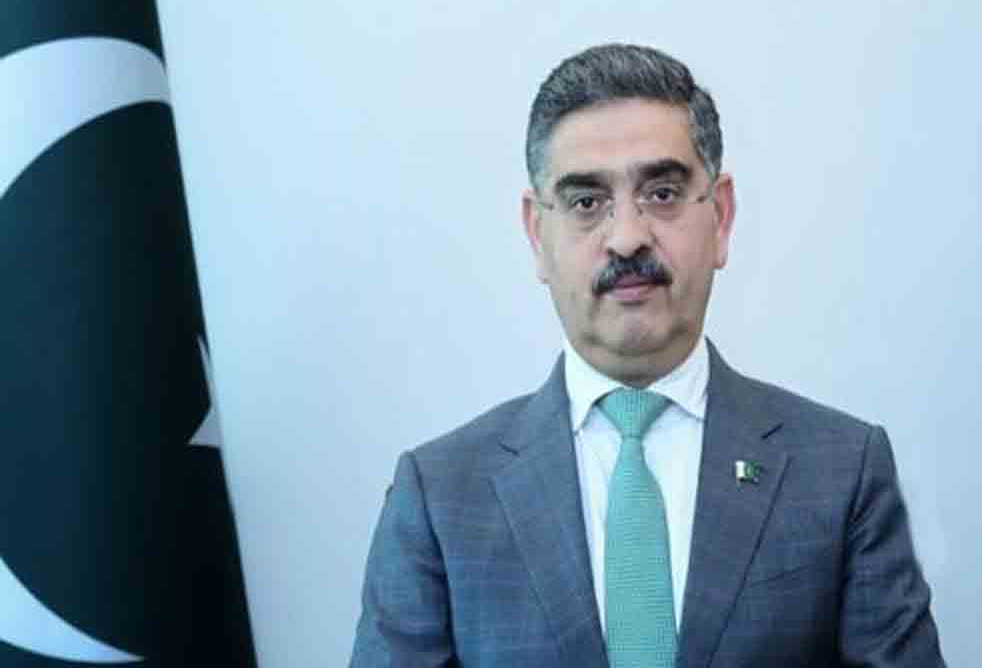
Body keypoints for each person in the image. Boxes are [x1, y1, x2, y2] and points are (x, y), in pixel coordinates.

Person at [350, 43, 944, 667]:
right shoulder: (440, 497)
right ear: (537, 234)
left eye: (661, 193)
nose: (628, 237)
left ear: (720, 217)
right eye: (586, 202)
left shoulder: (843, 472)